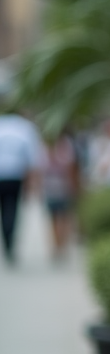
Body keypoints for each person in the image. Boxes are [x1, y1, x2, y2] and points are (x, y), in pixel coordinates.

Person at [0, 109, 45, 264]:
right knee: (12, 209)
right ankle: (9, 242)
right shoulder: (25, 128)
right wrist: (33, 183)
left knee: (5, 210)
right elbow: (33, 158)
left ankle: (7, 240)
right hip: (15, 176)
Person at [42, 130, 81, 259]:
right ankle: (58, 244)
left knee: (60, 217)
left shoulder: (62, 146)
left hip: (59, 187)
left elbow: (71, 168)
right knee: (58, 217)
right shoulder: (51, 147)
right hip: (54, 187)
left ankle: (59, 244)